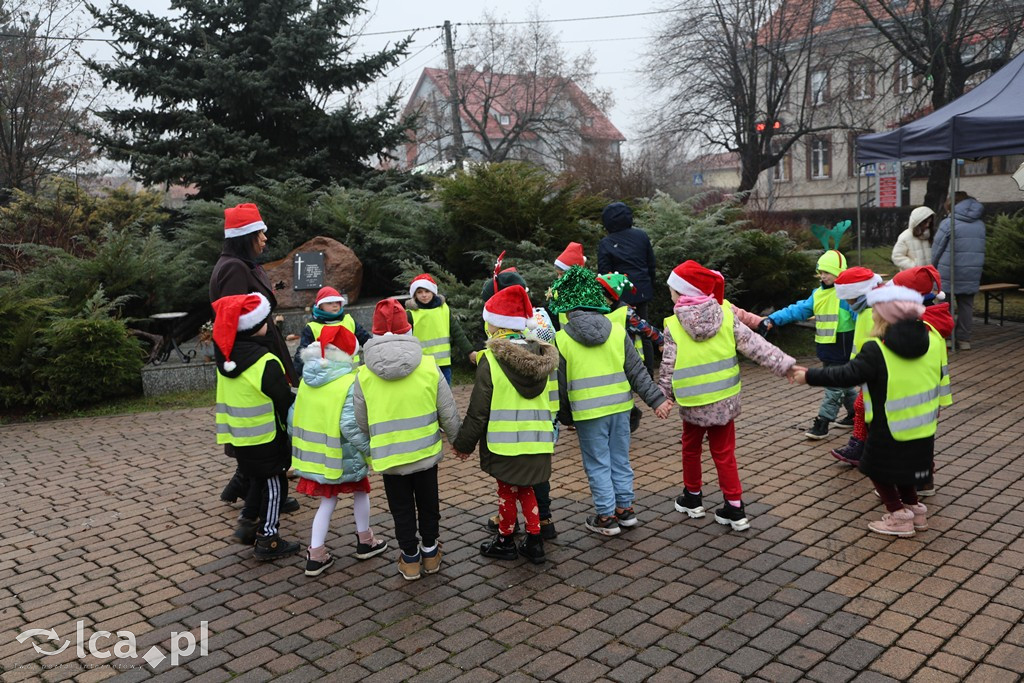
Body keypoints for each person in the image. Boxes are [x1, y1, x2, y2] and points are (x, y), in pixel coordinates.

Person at [660, 261, 799, 531]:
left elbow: (668, 365)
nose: (670, 294)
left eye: (672, 290)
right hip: (724, 401)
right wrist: (785, 366)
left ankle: (693, 498)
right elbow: (755, 345)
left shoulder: (673, 324)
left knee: (690, 448)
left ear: (682, 293)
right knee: (724, 453)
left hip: (693, 403)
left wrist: (664, 397)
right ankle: (735, 507)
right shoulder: (725, 313)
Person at [794, 285, 942, 537]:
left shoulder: (877, 349)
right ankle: (915, 510)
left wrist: (809, 375)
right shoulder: (932, 341)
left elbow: (845, 374)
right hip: (923, 424)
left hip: (889, 424)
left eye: (876, 310)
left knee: (875, 468)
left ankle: (898, 516)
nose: (872, 314)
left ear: (886, 315)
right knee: (906, 469)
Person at [550, 266, 673, 536]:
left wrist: (562, 416)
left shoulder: (562, 339)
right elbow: (637, 370)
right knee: (620, 459)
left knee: (597, 463)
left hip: (587, 413)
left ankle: (605, 517)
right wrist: (656, 399)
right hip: (620, 409)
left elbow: (558, 385)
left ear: (567, 307)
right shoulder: (617, 332)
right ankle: (625, 510)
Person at [352, 298, 462, 580]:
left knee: (400, 509)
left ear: (374, 333)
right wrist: (458, 441)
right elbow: (448, 411)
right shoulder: (428, 366)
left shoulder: (363, 374)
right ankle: (430, 552)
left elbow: (361, 421)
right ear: (408, 329)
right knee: (428, 504)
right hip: (425, 453)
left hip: (389, 457)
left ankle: (409, 559)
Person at [453, 285, 559, 564]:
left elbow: (478, 410)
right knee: (528, 489)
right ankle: (535, 539)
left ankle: (505, 539)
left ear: (496, 325)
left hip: (505, 443)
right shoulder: (542, 356)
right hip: (537, 440)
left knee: (507, 492)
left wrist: (464, 444)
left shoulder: (490, 360)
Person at [210, 203, 298, 511]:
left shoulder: (245, 263)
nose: (264, 238)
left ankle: (250, 487)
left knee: (268, 432)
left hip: (263, 349)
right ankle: (267, 493)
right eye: (260, 233)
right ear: (245, 235)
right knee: (270, 429)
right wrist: (256, 354)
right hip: (253, 357)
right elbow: (232, 319)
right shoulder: (234, 268)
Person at [288, 325, 387, 577]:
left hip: (317, 455)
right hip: (343, 454)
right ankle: (365, 540)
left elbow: (292, 417)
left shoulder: (307, 380)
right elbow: (351, 425)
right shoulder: (348, 382)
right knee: (361, 492)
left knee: (327, 502)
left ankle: (316, 553)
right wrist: (371, 451)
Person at [211, 292, 300, 560]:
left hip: (240, 436)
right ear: (253, 326)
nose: (269, 323)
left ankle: (247, 522)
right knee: (274, 486)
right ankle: (268, 538)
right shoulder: (265, 362)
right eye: (266, 320)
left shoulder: (226, 362)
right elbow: (283, 399)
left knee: (254, 480)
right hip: (267, 435)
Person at [479, 263, 558, 539]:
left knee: (523, 477)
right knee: (534, 472)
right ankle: (539, 523)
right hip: (542, 414)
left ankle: (532, 518)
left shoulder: (526, 325)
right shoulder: (533, 319)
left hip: (531, 414)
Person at [760, 250, 857, 440]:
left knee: (834, 385)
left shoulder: (846, 296)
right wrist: (773, 319)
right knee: (842, 383)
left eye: (827, 272)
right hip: (826, 347)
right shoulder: (818, 294)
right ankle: (855, 414)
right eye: (821, 272)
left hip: (843, 347)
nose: (823, 276)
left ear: (839, 273)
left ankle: (823, 422)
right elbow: (798, 310)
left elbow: (863, 319)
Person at [891, 265, 954, 496]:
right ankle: (924, 480)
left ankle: (911, 484)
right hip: (931, 396)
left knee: (908, 442)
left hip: (911, 395)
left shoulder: (917, 328)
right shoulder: (932, 324)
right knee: (924, 441)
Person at [828, 267, 884, 466]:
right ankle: (860, 446)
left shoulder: (872, 312)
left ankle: (862, 448)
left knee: (864, 408)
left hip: (875, 372)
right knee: (862, 407)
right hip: (866, 372)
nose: (847, 303)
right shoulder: (865, 309)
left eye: (848, 299)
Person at [597, 202, 658, 376]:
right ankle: (648, 374)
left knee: (621, 335)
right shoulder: (641, 236)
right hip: (642, 291)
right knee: (645, 332)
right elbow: (651, 264)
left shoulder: (606, 243)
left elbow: (604, 273)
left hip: (619, 295)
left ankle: (629, 375)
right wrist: (648, 286)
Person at [932, 192, 986, 350]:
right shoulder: (980, 224)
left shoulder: (948, 223)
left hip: (949, 270)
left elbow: (937, 249)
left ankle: (948, 337)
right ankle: (964, 340)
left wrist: (932, 266)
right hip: (972, 271)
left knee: (944, 304)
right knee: (966, 305)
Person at [405, 273, 474, 385]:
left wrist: (469, 351)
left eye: (427, 291)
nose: (424, 295)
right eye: (419, 292)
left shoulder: (444, 310)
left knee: (445, 396)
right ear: (414, 295)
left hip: (443, 364)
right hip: (421, 364)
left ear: (433, 292)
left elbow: (457, 332)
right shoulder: (410, 314)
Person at [292, 286, 370, 376]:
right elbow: (302, 352)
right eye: (329, 303)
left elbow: (367, 341)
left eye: (337, 302)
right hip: (325, 375)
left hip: (351, 373)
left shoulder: (349, 321)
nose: (335, 305)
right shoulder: (312, 328)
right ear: (320, 306)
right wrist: (294, 375)